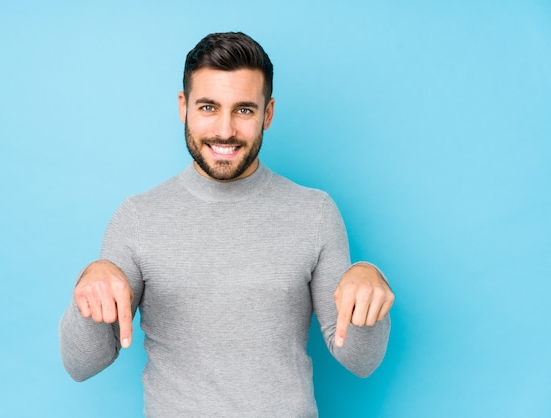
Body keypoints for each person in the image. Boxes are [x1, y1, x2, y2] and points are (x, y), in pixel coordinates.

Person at [59, 31, 394, 417]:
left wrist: (368, 281)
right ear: (183, 107)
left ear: (267, 114)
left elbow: (359, 360)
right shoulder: (137, 217)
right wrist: (90, 283)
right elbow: (81, 364)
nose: (224, 130)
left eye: (244, 110)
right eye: (207, 107)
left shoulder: (314, 212)